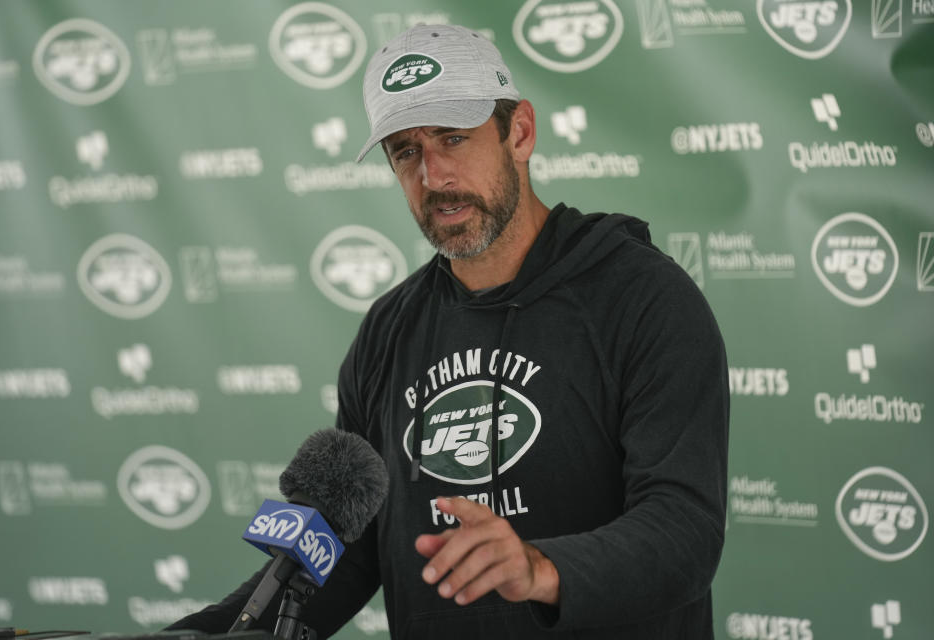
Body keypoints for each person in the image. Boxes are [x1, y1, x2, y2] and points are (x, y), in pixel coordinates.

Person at [168, 23, 729, 639]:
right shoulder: (389, 330)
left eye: (453, 138)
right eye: (406, 151)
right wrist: (207, 632)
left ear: (519, 132)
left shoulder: (642, 298)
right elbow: (347, 553)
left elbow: (684, 530)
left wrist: (539, 568)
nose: (433, 176)